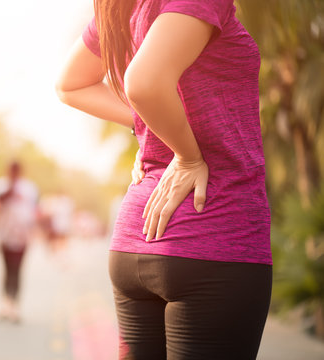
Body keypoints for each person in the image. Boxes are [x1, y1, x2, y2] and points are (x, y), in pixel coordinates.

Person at [56, 0, 272, 358]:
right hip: (214, 232)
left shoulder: (120, 9)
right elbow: (143, 82)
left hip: (134, 241)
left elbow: (70, 85)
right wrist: (188, 158)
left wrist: (146, 129)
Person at [0, 161, 39, 323]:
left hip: (22, 237)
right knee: (7, 268)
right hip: (3, 235)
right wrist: (8, 193)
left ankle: (14, 305)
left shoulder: (30, 188)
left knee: (17, 269)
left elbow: (35, 210)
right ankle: (5, 303)